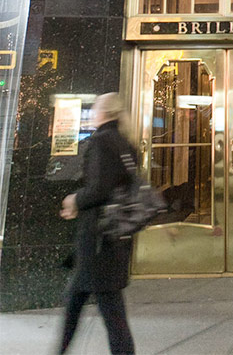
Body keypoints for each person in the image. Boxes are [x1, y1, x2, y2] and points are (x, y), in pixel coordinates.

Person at [58, 93, 136, 355]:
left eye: (95, 108)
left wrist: (74, 200)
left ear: (104, 113)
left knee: (111, 313)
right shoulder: (126, 143)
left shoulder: (101, 142)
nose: (91, 113)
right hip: (114, 236)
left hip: (99, 240)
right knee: (77, 299)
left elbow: (99, 190)